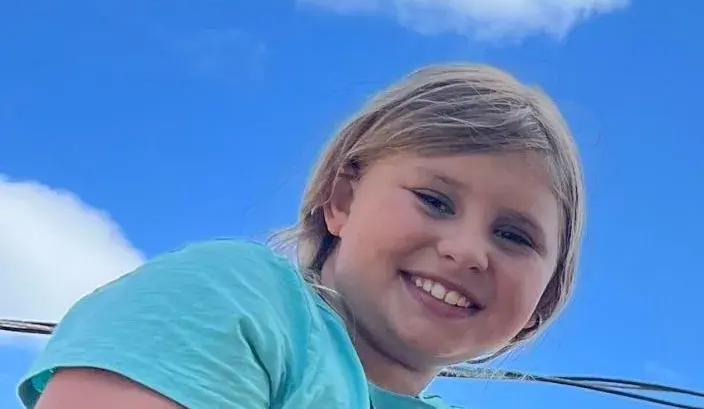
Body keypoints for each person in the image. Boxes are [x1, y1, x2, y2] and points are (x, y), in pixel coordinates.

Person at [17, 63, 587, 408]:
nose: (466, 249)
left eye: (514, 236)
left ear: (544, 299)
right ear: (342, 200)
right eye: (435, 201)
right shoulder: (229, 301)